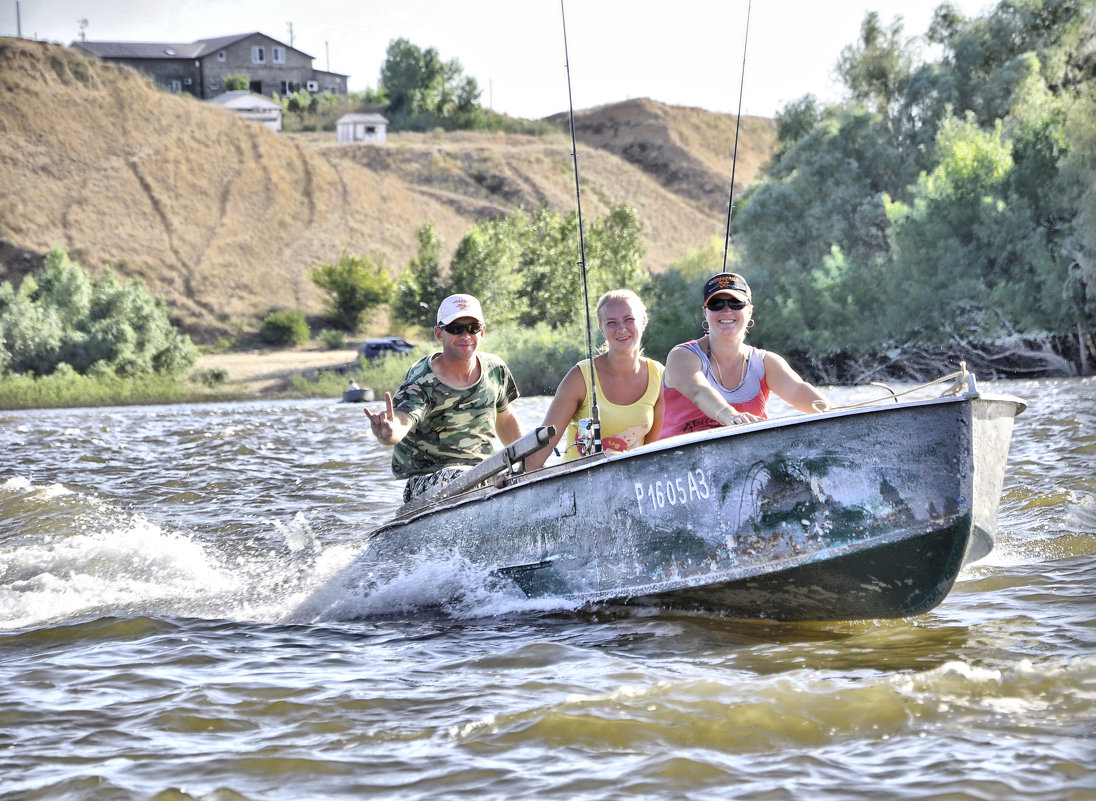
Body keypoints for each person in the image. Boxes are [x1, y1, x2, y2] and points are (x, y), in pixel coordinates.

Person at [365, 293, 523, 502]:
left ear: (482, 331)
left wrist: (529, 460)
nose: (465, 335)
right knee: (467, 478)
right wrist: (387, 432)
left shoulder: (496, 370)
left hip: (487, 475)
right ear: (439, 334)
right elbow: (402, 421)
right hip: (428, 483)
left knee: (521, 472)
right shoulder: (421, 381)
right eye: (455, 329)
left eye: (472, 328)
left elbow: (505, 419)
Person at [659, 272, 829, 438]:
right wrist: (729, 415)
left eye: (736, 303)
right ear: (705, 312)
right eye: (716, 304)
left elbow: (799, 391)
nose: (726, 310)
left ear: (750, 311)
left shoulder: (767, 362)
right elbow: (698, 391)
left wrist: (836, 415)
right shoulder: (681, 356)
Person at [525, 289, 664, 470]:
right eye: (611, 323)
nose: (621, 329)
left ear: (643, 321)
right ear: (602, 328)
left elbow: (653, 452)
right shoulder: (579, 378)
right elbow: (542, 448)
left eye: (629, 319)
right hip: (578, 485)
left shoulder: (659, 375)